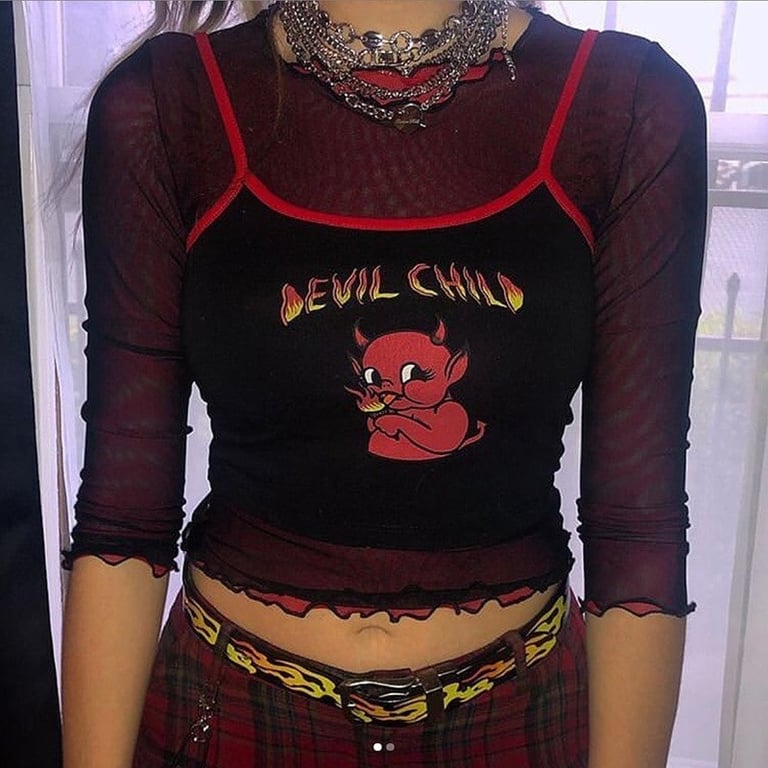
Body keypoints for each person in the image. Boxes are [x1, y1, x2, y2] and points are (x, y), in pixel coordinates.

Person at [61, 1, 707, 766]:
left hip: (521, 720)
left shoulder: (624, 103)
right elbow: (123, 510)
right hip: (224, 714)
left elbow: (638, 519)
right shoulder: (167, 103)